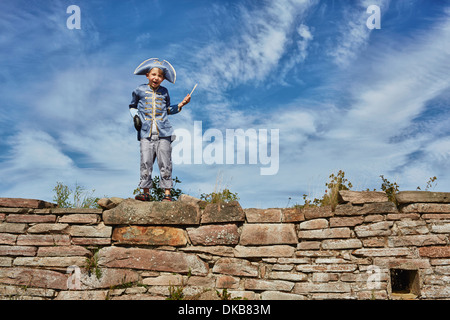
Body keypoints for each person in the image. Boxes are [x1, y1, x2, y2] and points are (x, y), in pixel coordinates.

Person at [129, 58, 191, 201]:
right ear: (147, 75)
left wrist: (182, 104)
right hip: (145, 132)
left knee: (165, 162)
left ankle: (167, 194)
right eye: (153, 74)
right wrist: (135, 117)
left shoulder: (164, 92)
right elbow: (132, 106)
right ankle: (145, 193)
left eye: (160, 76)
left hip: (164, 133)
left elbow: (167, 110)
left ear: (163, 79)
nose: (156, 78)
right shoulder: (139, 90)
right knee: (146, 161)